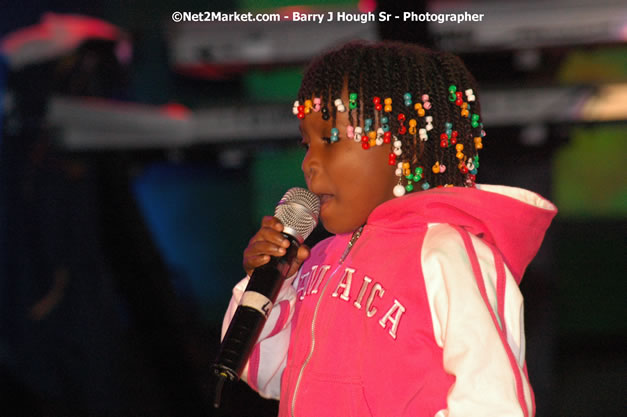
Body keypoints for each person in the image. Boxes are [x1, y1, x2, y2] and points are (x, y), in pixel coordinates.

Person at [222, 40, 557, 417]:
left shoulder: (447, 252)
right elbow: (264, 370)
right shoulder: (316, 260)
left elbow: (491, 401)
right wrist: (269, 283)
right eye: (306, 144)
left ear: (407, 147)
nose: (309, 163)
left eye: (331, 140)